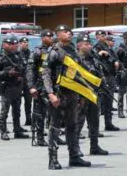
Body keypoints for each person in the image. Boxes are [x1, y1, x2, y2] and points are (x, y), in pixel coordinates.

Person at [43, 25, 90, 170]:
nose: (69, 33)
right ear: (57, 34)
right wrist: (50, 93)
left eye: (70, 32)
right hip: (58, 94)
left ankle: (74, 157)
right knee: (55, 128)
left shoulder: (73, 52)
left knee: (72, 126)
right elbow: (45, 73)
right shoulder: (54, 51)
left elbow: (79, 74)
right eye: (65, 31)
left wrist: (82, 94)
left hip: (72, 94)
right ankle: (53, 159)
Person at [75, 33, 108, 156]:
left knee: (94, 120)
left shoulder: (92, 58)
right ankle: (75, 148)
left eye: (89, 44)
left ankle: (94, 146)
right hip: (80, 95)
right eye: (86, 44)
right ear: (79, 45)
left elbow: (99, 73)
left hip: (94, 94)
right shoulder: (75, 59)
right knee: (78, 122)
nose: (89, 46)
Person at [0, 36, 29, 141]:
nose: (13, 46)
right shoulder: (1, 57)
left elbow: (24, 69)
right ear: (5, 45)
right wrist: (7, 73)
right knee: (4, 111)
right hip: (7, 88)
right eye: (10, 44)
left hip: (17, 87)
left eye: (14, 44)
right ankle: (3, 131)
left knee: (17, 111)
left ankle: (17, 130)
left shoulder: (18, 56)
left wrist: (20, 75)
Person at [92, 33, 120, 131]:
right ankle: (94, 127)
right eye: (102, 36)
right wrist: (99, 54)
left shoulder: (108, 47)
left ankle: (108, 123)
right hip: (102, 77)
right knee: (99, 103)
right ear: (97, 37)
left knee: (109, 101)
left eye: (105, 36)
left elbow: (114, 58)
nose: (104, 37)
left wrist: (116, 62)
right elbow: (94, 61)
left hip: (110, 75)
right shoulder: (96, 48)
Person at [18, 37, 33, 126]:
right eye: (24, 42)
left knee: (28, 100)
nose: (26, 43)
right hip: (19, 80)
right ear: (20, 43)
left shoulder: (30, 53)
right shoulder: (17, 53)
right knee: (17, 101)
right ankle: (17, 121)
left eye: (27, 42)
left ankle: (28, 118)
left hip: (27, 80)